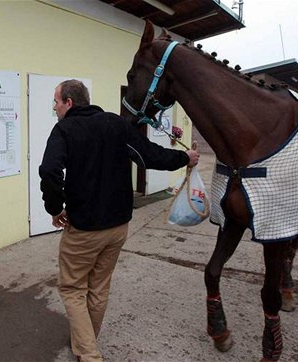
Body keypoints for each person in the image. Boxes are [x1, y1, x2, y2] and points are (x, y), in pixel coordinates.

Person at [39, 79, 199, 362]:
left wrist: (55, 208)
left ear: (69, 103)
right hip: (118, 228)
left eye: (56, 102)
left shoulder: (64, 129)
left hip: (85, 229)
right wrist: (184, 157)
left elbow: (50, 171)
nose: (54, 107)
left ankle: (89, 355)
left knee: (73, 289)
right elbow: (150, 156)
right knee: (99, 287)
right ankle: (85, 342)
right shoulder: (116, 124)